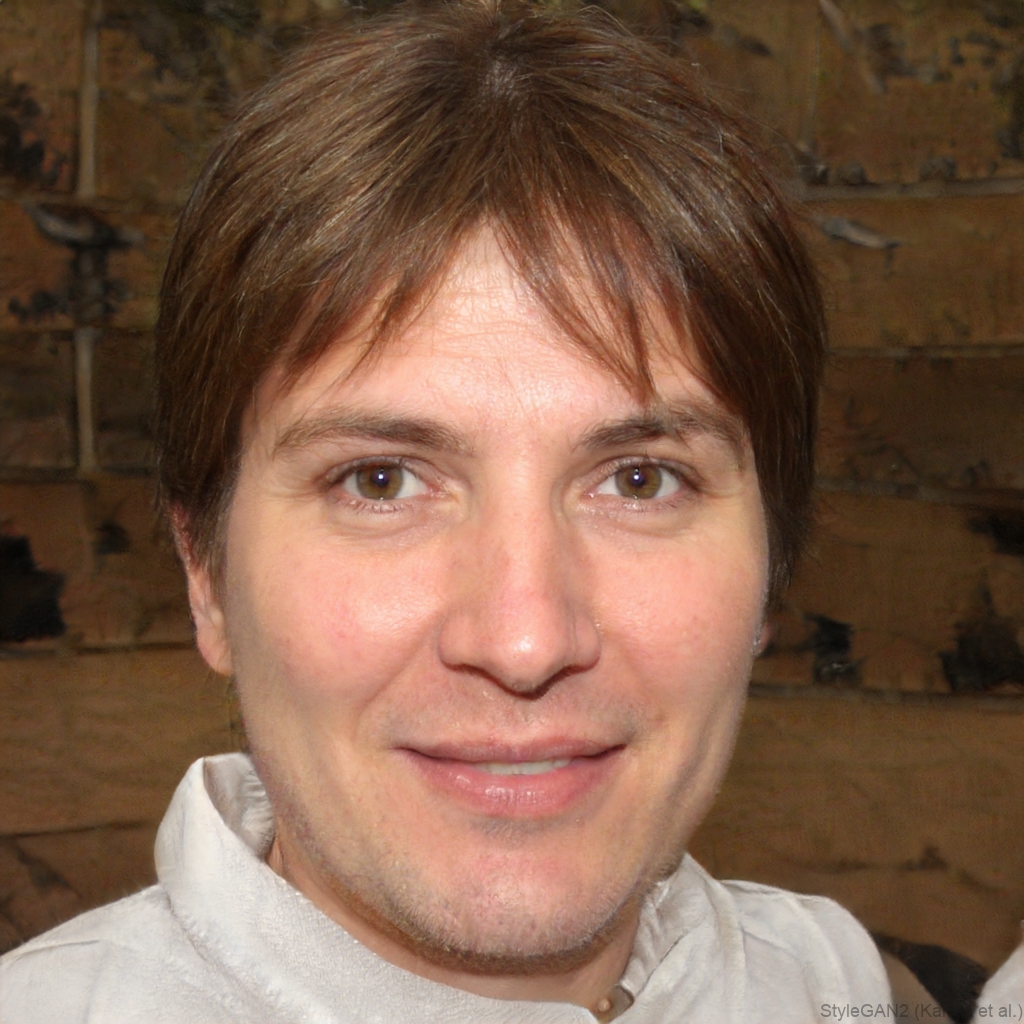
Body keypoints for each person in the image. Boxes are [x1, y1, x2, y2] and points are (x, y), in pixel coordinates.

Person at [0, 2, 893, 1020]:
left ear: (771, 569)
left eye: (639, 480)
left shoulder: (828, 980)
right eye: (380, 480)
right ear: (205, 574)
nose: (523, 640)